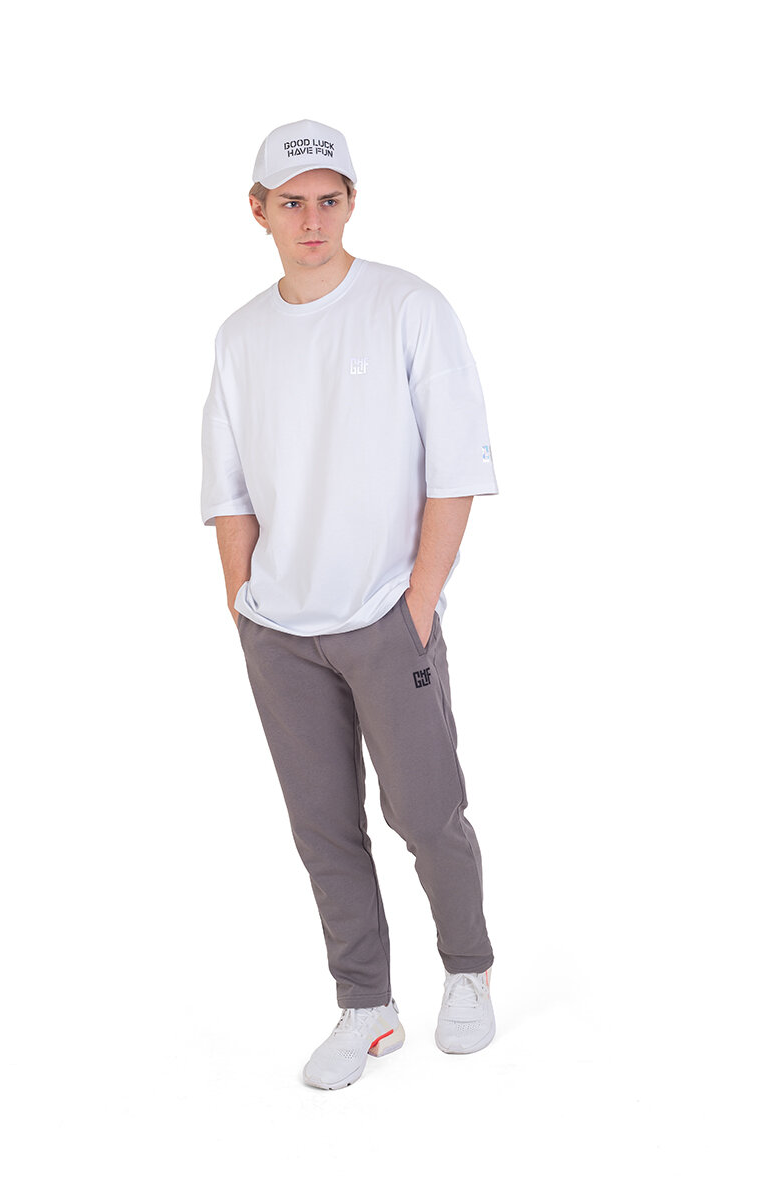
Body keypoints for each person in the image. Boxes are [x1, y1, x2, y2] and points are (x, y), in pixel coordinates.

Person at [201, 119, 498, 1090]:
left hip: (384, 618)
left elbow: (456, 468)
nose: (313, 220)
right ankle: (366, 1006)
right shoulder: (241, 336)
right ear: (259, 211)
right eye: (292, 203)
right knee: (323, 827)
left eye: (330, 200)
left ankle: (467, 969)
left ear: (352, 203)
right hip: (282, 633)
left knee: (427, 810)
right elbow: (229, 489)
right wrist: (245, 610)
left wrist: (417, 605)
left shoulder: (408, 308)